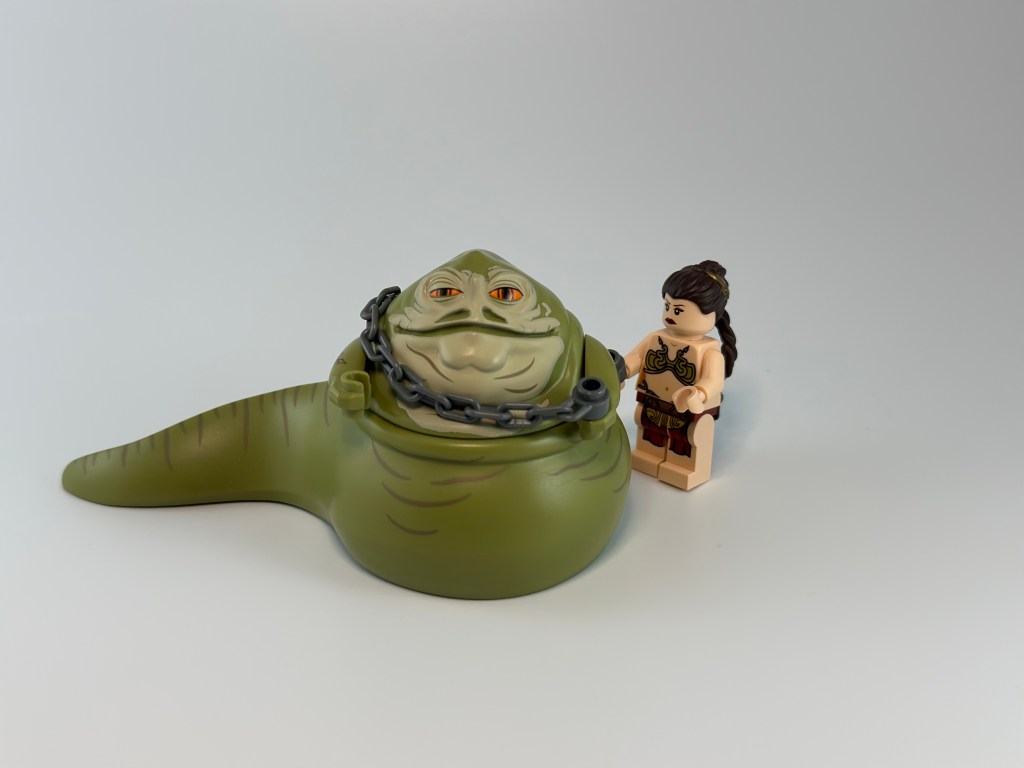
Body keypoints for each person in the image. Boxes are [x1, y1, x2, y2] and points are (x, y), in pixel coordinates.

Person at [622, 261, 737, 490]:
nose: (669, 314)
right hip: (653, 399)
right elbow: (635, 358)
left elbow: (714, 381)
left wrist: (699, 393)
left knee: (687, 438)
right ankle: (649, 456)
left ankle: (685, 468)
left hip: (688, 407)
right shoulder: (655, 338)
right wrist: (621, 369)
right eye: (667, 306)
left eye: (678, 310)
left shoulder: (709, 351)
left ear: (711, 315)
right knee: (648, 427)